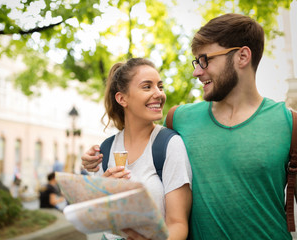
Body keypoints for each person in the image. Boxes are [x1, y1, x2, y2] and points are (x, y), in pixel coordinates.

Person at [81, 13, 294, 239]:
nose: (196, 71)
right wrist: (96, 159)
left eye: (205, 60)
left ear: (242, 56)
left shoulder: (290, 123)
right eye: (196, 62)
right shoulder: (179, 119)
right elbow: (140, 143)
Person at [91, 58, 192, 240]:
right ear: (122, 99)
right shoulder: (106, 149)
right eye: (147, 87)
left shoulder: (169, 144)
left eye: (160, 87)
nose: (159, 94)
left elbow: (178, 224)